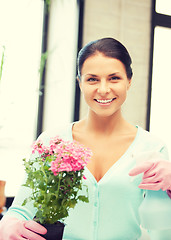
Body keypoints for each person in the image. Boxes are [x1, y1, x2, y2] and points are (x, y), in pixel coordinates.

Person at [0, 37, 171, 240]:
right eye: (92, 79)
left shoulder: (152, 148)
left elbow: (161, 230)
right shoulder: (52, 142)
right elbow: (21, 210)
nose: (104, 89)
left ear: (129, 81)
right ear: (79, 82)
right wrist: (7, 224)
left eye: (114, 78)